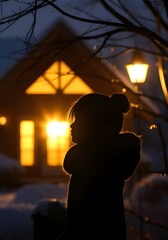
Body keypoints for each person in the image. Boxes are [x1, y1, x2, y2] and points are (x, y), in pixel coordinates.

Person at [59, 93, 141, 240]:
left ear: (94, 125)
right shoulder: (104, 162)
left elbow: (87, 220)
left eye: (79, 120)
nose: (72, 125)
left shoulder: (92, 166)